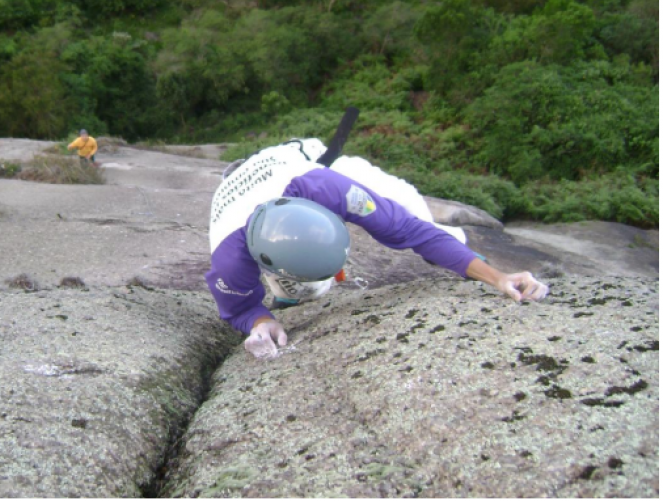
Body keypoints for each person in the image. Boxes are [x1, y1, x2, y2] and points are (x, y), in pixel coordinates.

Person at [206, 138, 549, 359]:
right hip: (234, 193)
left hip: (296, 158)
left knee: (410, 207)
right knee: (308, 290)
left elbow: (408, 228)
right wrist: (261, 321)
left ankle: (459, 249)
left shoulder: (327, 187)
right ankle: (295, 285)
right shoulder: (229, 257)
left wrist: (497, 277)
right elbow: (239, 308)